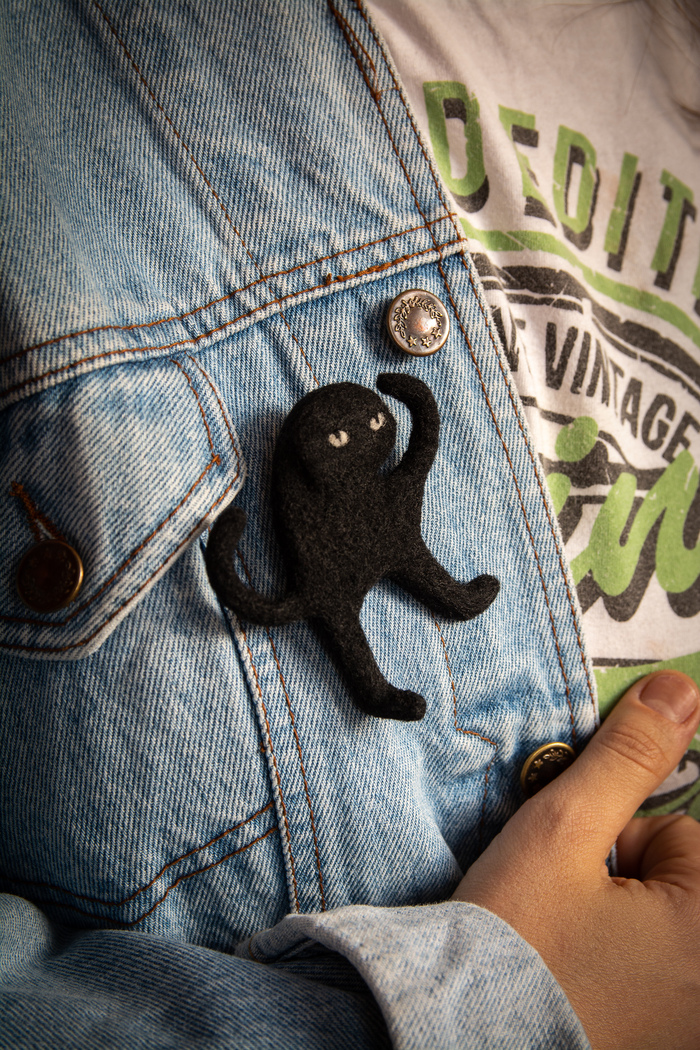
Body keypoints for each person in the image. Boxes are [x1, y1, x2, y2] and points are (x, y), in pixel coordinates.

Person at [1, 1, 698, 1047]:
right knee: (351, 626)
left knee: (421, 571)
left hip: (389, 542)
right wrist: (503, 1017)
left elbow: (414, 454)